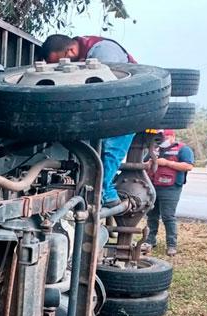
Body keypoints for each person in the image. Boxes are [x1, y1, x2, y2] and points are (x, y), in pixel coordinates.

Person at [39, 34, 137, 208]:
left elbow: (111, 89)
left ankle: (102, 191)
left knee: (111, 146)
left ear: (71, 50)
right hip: (101, 109)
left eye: (60, 61)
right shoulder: (81, 54)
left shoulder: (103, 51)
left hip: (127, 107)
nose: (60, 67)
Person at [146, 130, 195, 256]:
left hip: (171, 188)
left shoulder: (183, 149)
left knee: (168, 216)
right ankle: (150, 241)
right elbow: (145, 162)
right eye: (160, 137)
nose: (162, 139)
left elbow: (188, 166)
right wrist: (151, 162)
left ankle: (171, 245)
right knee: (152, 215)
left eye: (165, 136)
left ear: (173, 136)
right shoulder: (154, 148)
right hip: (152, 186)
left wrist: (167, 163)